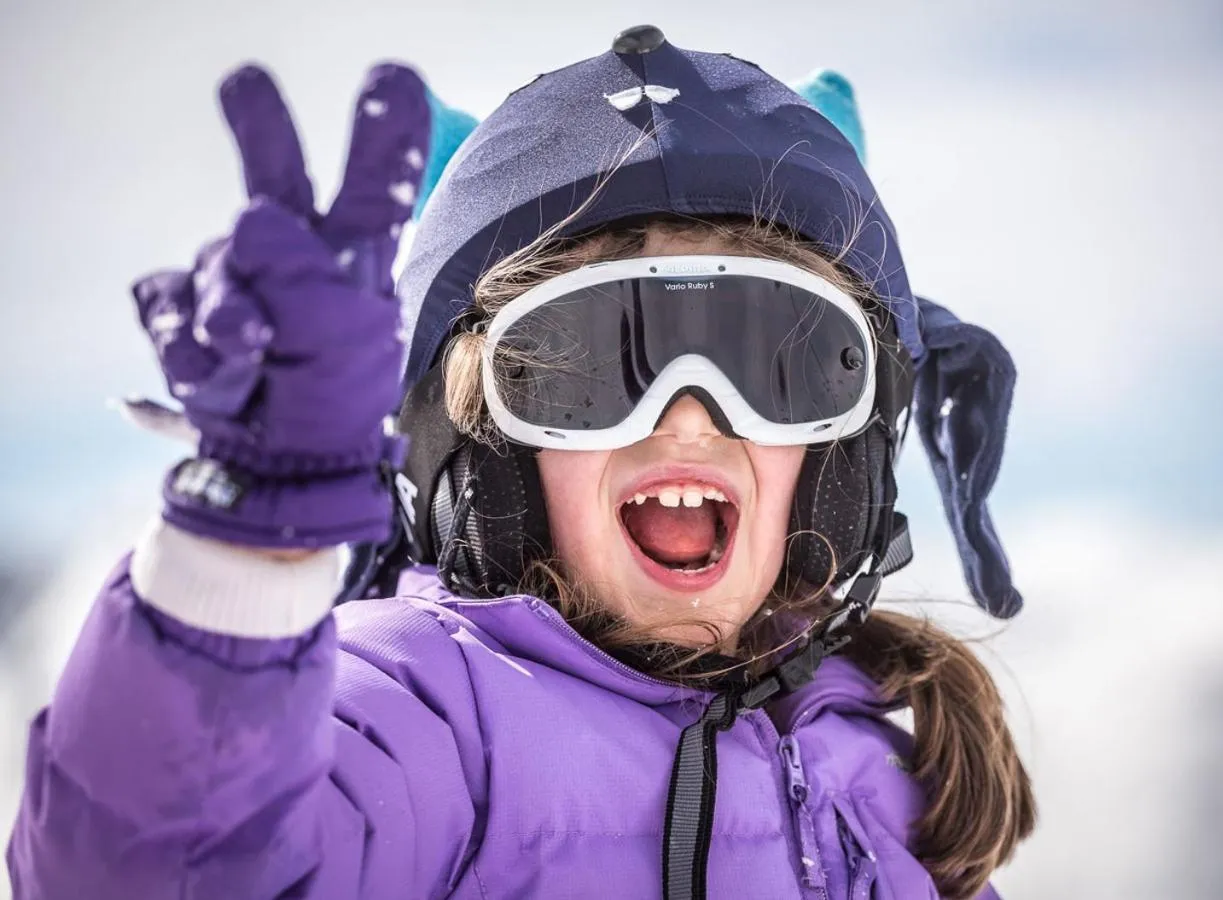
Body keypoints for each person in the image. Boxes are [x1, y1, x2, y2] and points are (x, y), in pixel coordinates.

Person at [5, 26, 1035, 900]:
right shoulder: (416, 713)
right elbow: (158, 866)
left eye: (779, 358)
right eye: (585, 362)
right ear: (477, 447)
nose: (685, 419)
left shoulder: (889, 786)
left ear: (843, 451)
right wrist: (240, 556)